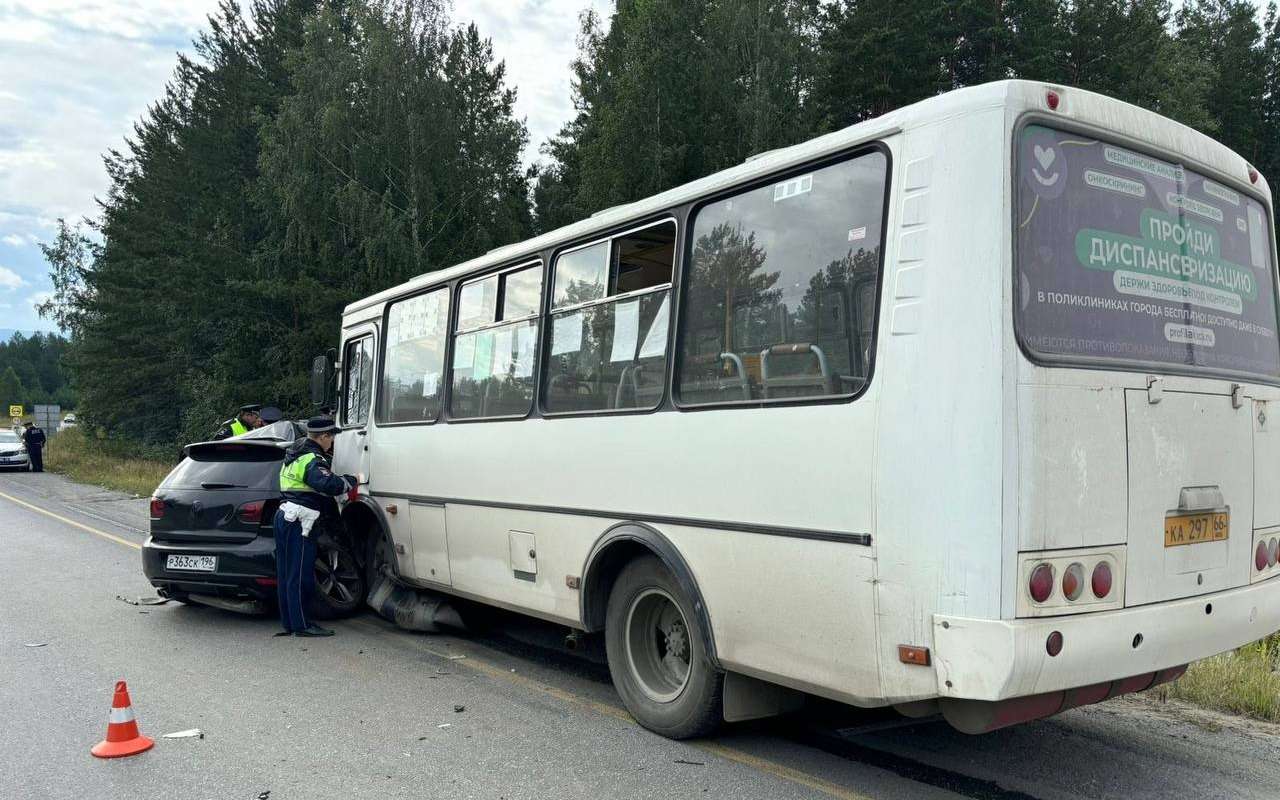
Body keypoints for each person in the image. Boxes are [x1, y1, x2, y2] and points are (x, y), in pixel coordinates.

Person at [272, 417, 357, 637]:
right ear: (323, 437)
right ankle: (302, 626)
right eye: (332, 438)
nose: (333, 443)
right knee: (300, 575)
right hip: (300, 520)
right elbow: (326, 484)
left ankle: (290, 623)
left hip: (285, 515)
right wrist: (349, 481)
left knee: (286, 574)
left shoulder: (293, 453)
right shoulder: (312, 458)